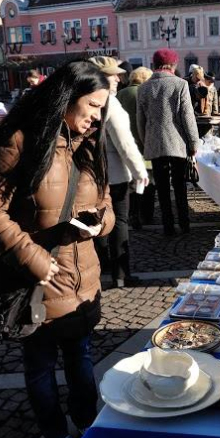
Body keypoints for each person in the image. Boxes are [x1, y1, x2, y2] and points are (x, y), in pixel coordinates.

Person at [0, 61, 115, 438]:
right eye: (92, 105)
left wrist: (99, 223)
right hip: (36, 280)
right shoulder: (18, 141)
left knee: (81, 356)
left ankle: (87, 421)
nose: (97, 116)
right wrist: (34, 259)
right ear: (66, 98)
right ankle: (56, 436)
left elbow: (105, 202)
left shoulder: (88, 143)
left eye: (103, 108)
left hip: (82, 278)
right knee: (39, 366)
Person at [88, 56, 149, 289]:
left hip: (92, 174)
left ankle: (102, 268)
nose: (118, 78)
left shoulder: (85, 100)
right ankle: (121, 274)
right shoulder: (109, 102)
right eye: (113, 74)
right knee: (119, 222)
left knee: (99, 220)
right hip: (114, 174)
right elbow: (125, 143)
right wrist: (139, 171)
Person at [137, 48, 201, 235]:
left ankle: (168, 226)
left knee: (162, 189)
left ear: (155, 65)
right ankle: (184, 223)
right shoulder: (179, 84)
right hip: (177, 143)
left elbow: (140, 120)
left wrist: (144, 141)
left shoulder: (144, 87)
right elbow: (187, 117)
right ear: (173, 65)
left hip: (155, 144)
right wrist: (193, 144)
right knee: (180, 186)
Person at [117, 66, 155, 230]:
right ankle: (146, 214)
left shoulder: (121, 94)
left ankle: (132, 213)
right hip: (144, 143)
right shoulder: (145, 93)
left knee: (131, 182)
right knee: (148, 181)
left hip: (125, 143)